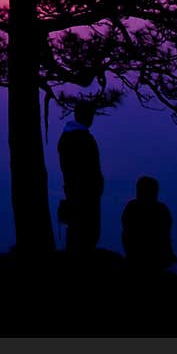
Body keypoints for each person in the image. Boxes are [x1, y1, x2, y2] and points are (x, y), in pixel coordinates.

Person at [57, 101, 104, 254]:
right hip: (85, 193)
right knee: (86, 232)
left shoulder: (66, 138)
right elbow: (89, 169)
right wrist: (96, 186)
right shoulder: (83, 139)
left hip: (74, 191)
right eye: (90, 115)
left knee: (77, 230)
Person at [121, 175, 177, 273]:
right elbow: (127, 233)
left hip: (149, 257)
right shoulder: (133, 208)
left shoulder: (160, 210)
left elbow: (165, 236)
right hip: (139, 256)